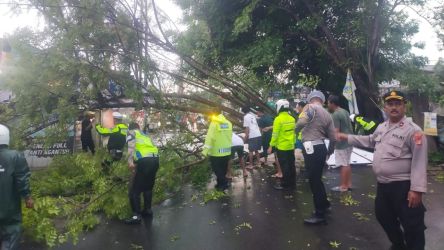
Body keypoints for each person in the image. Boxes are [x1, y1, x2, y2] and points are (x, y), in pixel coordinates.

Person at [337, 91, 427, 250]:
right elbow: (370, 140)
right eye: (390, 104)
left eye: (397, 104)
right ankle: (399, 245)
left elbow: (420, 161)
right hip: (384, 185)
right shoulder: (382, 127)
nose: (394, 107)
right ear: (385, 107)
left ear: (404, 106)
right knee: (383, 216)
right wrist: (347, 137)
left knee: (412, 224)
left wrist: (417, 190)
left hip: (404, 186)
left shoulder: (413, 131)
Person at [296, 90, 336, 225]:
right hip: (321, 148)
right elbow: (333, 137)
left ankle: (320, 214)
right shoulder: (328, 114)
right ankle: (325, 205)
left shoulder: (310, 107)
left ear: (310, 100)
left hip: (311, 149)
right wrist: (329, 152)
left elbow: (302, 123)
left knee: (314, 181)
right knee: (317, 179)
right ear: (322, 101)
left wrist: (295, 131)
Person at [0, 124, 34, 250]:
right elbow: (22, 179)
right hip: (9, 209)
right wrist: (27, 197)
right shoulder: (15, 156)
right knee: (11, 234)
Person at [124, 123, 159, 224]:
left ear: (130, 128)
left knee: (134, 190)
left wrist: (130, 162)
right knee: (148, 187)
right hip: (155, 160)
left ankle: (136, 216)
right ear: (138, 127)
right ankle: (147, 210)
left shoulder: (131, 133)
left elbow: (131, 147)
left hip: (144, 161)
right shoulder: (145, 134)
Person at [327, 95, 354, 192]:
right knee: (347, 163)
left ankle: (343, 186)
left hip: (342, 143)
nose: (327, 105)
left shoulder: (335, 114)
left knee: (343, 164)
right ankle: (349, 184)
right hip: (350, 140)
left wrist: (332, 145)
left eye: (328, 103)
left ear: (332, 103)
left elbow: (336, 132)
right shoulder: (345, 111)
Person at [267, 99, 296, 190]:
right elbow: (293, 133)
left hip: (282, 147)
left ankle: (285, 184)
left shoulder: (278, 119)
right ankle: (292, 182)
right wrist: (293, 143)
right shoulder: (292, 118)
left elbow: (275, 134)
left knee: (285, 165)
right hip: (290, 146)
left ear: (279, 107)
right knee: (291, 164)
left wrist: (271, 145)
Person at [202, 108, 232, 190]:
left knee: (217, 170)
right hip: (227, 151)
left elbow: (209, 137)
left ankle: (224, 184)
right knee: (223, 168)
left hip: (216, 152)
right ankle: (219, 184)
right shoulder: (228, 123)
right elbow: (229, 136)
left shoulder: (214, 123)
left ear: (213, 114)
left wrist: (205, 151)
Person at [256, 107, 282, 178]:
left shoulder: (261, 119)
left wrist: (260, 136)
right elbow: (276, 125)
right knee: (275, 149)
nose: (256, 113)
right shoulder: (270, 117)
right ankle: (276, 161)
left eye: (257, 112)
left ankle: (266, 161)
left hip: (266, 136)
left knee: (265, 148)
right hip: (274, 135)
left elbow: (260, 129)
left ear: (260, 112)